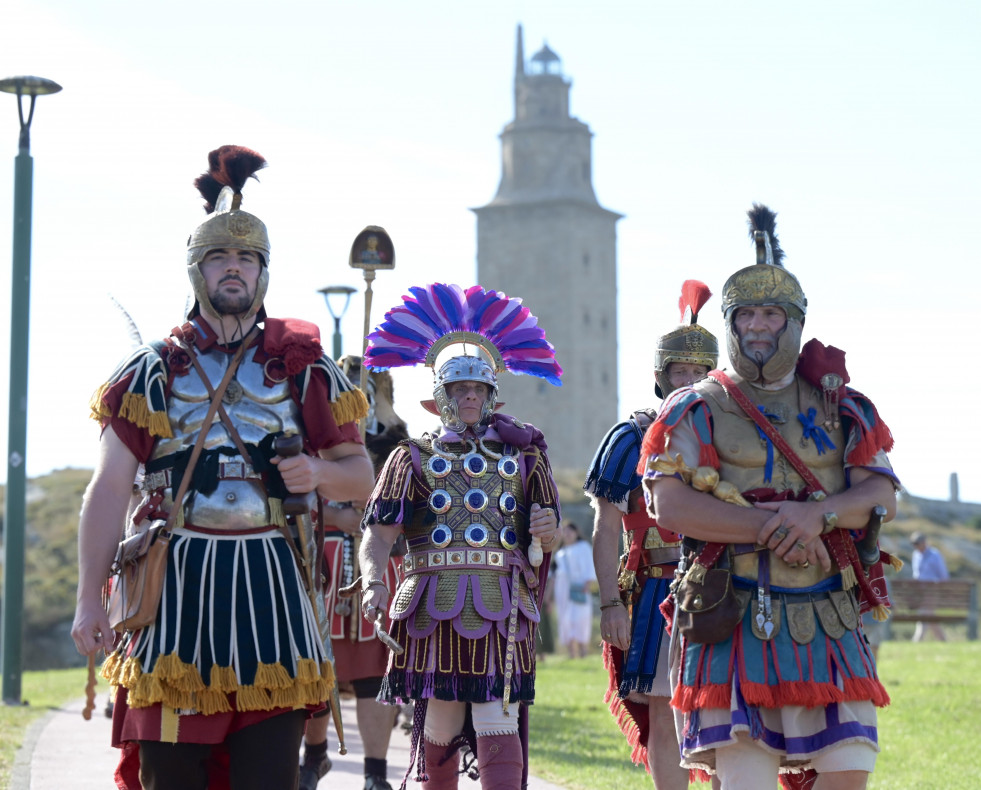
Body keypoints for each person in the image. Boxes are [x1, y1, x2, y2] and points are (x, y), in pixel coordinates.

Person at [71, 145, 375, 790]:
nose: (232, 269)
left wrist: (320, 477)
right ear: (196, 271)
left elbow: (360, 475)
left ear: (263, 273)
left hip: (273, 585)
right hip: (175, 587)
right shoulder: (154, 371)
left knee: (267, 778)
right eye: (218, 257)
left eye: (246, 258)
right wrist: (86, 602)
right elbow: (108, 489)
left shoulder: (303, 369)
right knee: (173, 778)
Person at [641, 205, 900, 790]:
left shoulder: (843, 405)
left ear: (795, 322)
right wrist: (772, 527)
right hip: (732, 612)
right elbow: (671, 506)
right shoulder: (696, 406)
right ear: (730, 324)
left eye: (772, 314)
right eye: (747, 314)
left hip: (830, 614)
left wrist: (814, 515)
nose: (758, 326)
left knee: (847, 772)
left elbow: (881, 493)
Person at [358, 283, 562, 789]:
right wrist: (371, 581)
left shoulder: (526, 456)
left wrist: (548, 531)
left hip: (501, 601)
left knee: (497, 713)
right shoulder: (409, 456)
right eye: (459, 389)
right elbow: (378, 535)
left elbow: (548, 537)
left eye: (478, 389)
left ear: (492, 395)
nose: (470, 397)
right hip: (430, 601)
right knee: (442, 716)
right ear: (440, 397)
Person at [584, 280, 718, 789]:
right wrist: (610, 602)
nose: (688, 380)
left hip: (726, 584)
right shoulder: (630, 438)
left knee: (729, 716)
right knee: (666, 714)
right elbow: (606, 526)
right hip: (656, 590)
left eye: (698, 372)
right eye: (679, 371)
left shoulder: (733, 437)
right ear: (661, 378)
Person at [299, 357, 410, 790]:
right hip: (321, 560)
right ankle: (314, 758)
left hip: (376, 566)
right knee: (316, 666)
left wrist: (372, 512)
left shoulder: (397, 443)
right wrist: (334, 513)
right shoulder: (311, 433)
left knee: (371, 672)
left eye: (369, 386)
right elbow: (294, 492)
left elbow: (407, 501)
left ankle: (375, 774)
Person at [551, 521, 597, 659]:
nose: (567, 534)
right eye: (565, 532)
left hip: (580, 586)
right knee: (565, 619)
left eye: (570, 531)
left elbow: (590, 565)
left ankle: (583, 651)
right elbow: (554, 574)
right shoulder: (560, 552)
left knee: (581, 618)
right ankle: (572, 652)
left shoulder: (583, 547)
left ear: (576, 533)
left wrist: (587, 584)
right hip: (563, 589)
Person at [911, 532, 949, 642]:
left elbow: (943, 576)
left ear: (924, 542)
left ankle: (918, 639)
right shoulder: (915, 555)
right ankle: (943, 640)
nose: (916, 546)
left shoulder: (935, 555)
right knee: (930, 616)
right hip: (919, 592)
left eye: (917, 543)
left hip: (932, 591)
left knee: (924, 614)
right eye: (914, 544)